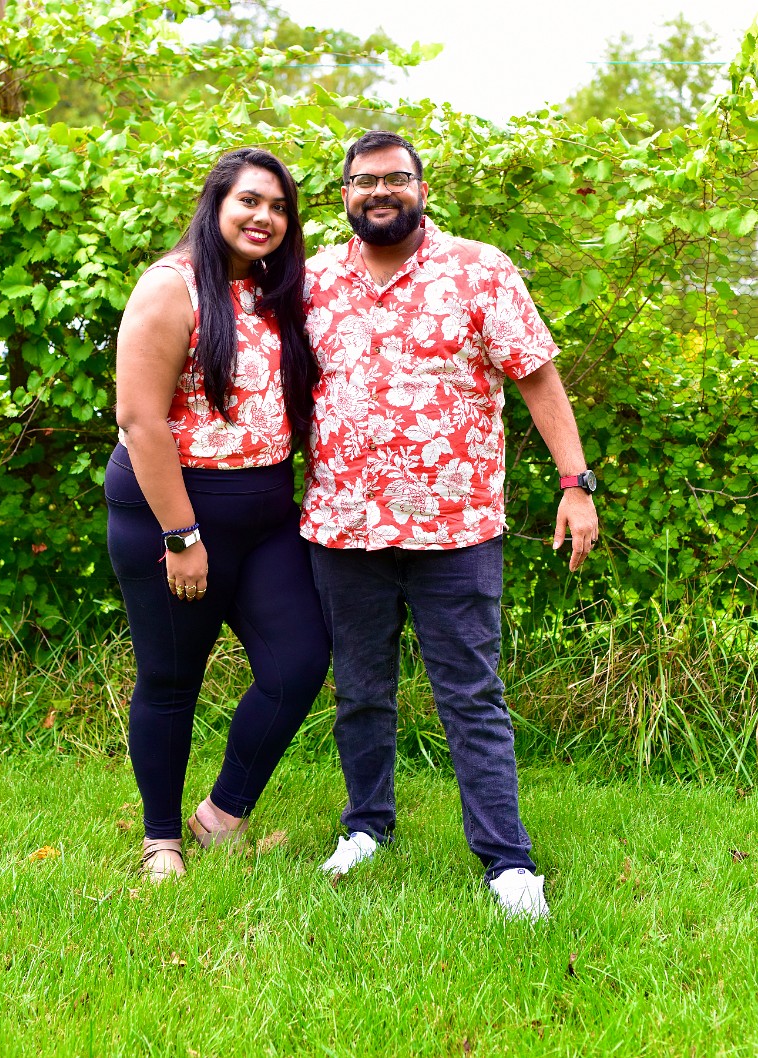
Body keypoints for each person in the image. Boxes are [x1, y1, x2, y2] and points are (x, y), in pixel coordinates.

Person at [302, 132, 599, 921]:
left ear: (422, 187)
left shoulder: (478, 268)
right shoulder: (315, 280)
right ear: (344, 195)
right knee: (360, 691)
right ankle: (366, 827)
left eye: (396, 178)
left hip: (457, 530)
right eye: (364, 181)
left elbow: (536, 374)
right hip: (344, 526)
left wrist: (576, 483)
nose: (380, 192)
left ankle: (508, 862)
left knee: (470, 695)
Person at [106, 148, 330, 882]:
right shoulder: (171, 288)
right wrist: (181, 535)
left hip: (265, 515)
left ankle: (220, 817)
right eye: (249, 201)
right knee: (172, 679)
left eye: (278, 207)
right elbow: (141, 421)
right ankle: (161, 841)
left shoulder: (273, 293)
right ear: (216, 204)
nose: (264, 217)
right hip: (173, 513)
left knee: (297, 662)